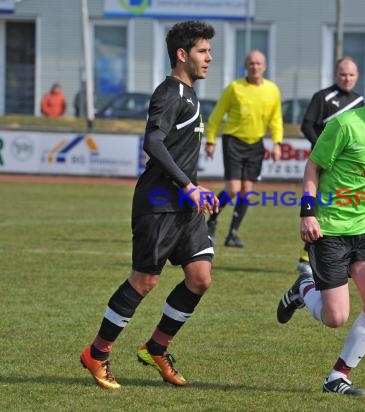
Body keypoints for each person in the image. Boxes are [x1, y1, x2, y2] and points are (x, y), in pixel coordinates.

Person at [80, 20, 218, 390]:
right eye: (203, 51)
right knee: (145, 280)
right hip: (158, 204)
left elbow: (175, 150)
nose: (210, 57)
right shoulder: (169, 92)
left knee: (200, 278)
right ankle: (97, 352)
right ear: (182, 54)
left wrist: (194, 187)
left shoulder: (190, 94)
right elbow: (153, 143)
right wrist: (188, 185)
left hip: (184, 206)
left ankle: (156, 347)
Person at [276, 63, 365, 396]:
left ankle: (337, 377)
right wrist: (307, 214)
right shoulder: (344, 125)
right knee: (335, 317)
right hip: (328, 229)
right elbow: (313, 166)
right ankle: (303, 288)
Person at [205, 50, 283, 248]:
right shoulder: (234, 88)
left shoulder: (272, 90)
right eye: (251, 63)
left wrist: (277, 143)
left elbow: (276, 119)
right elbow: (216, 116)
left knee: (246, 192)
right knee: (233, 189)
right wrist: (211, 140)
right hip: (233, 141)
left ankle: (232, 234)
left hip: (256, 144)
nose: (254, 66)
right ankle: (211, 221)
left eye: (258, 63)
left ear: (264, 67)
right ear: (245, 66)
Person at [296, 56, 365, 273]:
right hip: (324, 164)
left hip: (348, 167)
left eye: (351, 74)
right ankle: (306, 256)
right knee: (322, 208)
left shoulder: (359, 101)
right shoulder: (323, 97)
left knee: (344, 209)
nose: (347, 78)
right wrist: (324, 150)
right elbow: (307, 125)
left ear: (357, 76)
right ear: (336, 75)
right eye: (343, 74)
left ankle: (333, 255)